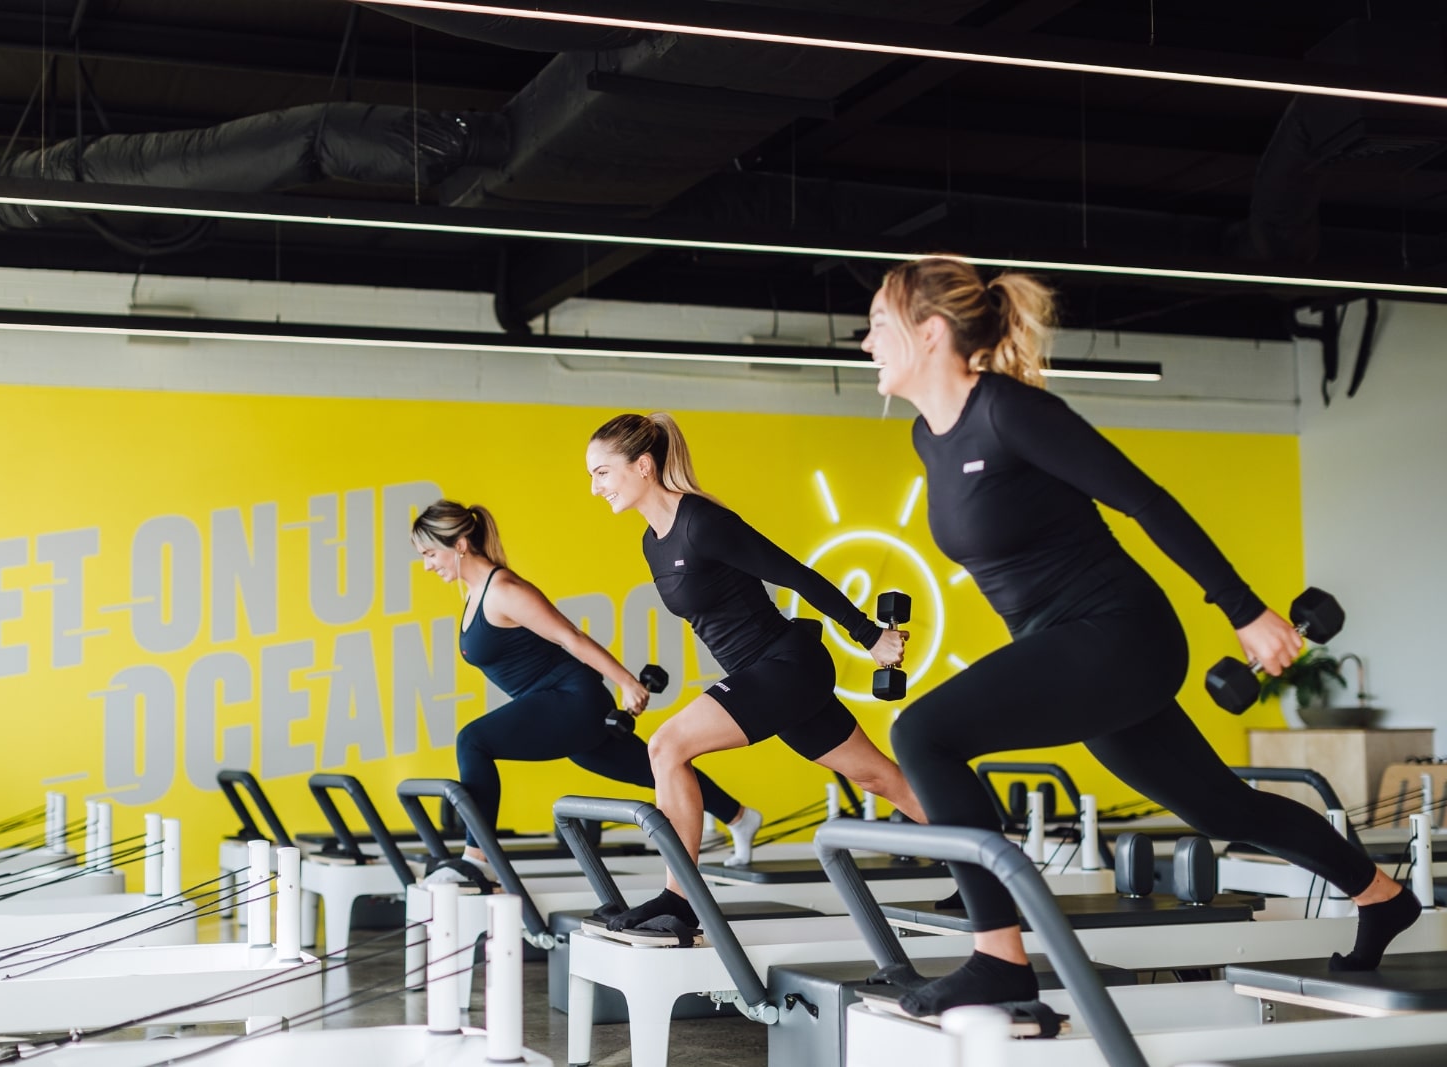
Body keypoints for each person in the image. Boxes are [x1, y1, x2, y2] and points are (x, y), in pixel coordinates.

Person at [864, 255, 1418, 1013]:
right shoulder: (929, 438)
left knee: (923, 733)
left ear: (929, 334)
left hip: (1119, 633)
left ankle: (999, 957)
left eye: (877, 326)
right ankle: (1382, 896)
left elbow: (1145, 499)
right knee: (1222, 808)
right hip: (1068, 643)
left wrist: (1245, 610)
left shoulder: (1010, 411)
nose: (865, 343)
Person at [585, 414, 928, 936]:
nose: (595, 488)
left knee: (666, 747)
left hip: (787, 665)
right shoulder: (653, 542)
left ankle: (680, 901)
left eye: (603, 473)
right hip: (766, 676)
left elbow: (797, 574)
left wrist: (869, 635)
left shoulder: (701, 521)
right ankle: (996, 868)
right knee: (878, 777)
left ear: (643, 466)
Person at [410, 499, 762, 882]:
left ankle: (478, 860)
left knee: (473, 741)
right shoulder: (473, 594)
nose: (428, 564)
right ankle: (740, 817)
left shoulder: (504, 590)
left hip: (573, 699)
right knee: (653, 768)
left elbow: (570, 637)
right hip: (558, 703)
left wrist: (627, 681)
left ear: (460, 544)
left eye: (431, 553)